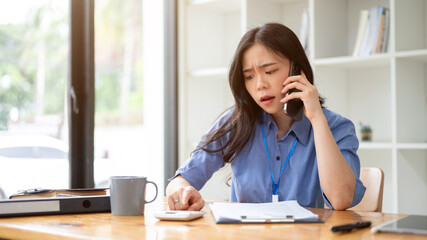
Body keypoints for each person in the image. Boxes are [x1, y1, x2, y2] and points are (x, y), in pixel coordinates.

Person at [166, 23, 366, 211]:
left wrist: (316, 118)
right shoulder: (236, 122)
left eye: (269, 71)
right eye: (249, 76)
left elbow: (341, 199)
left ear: (298, 71)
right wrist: (182, 191)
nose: (259, 84)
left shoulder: (336, 127)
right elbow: (181, 179)